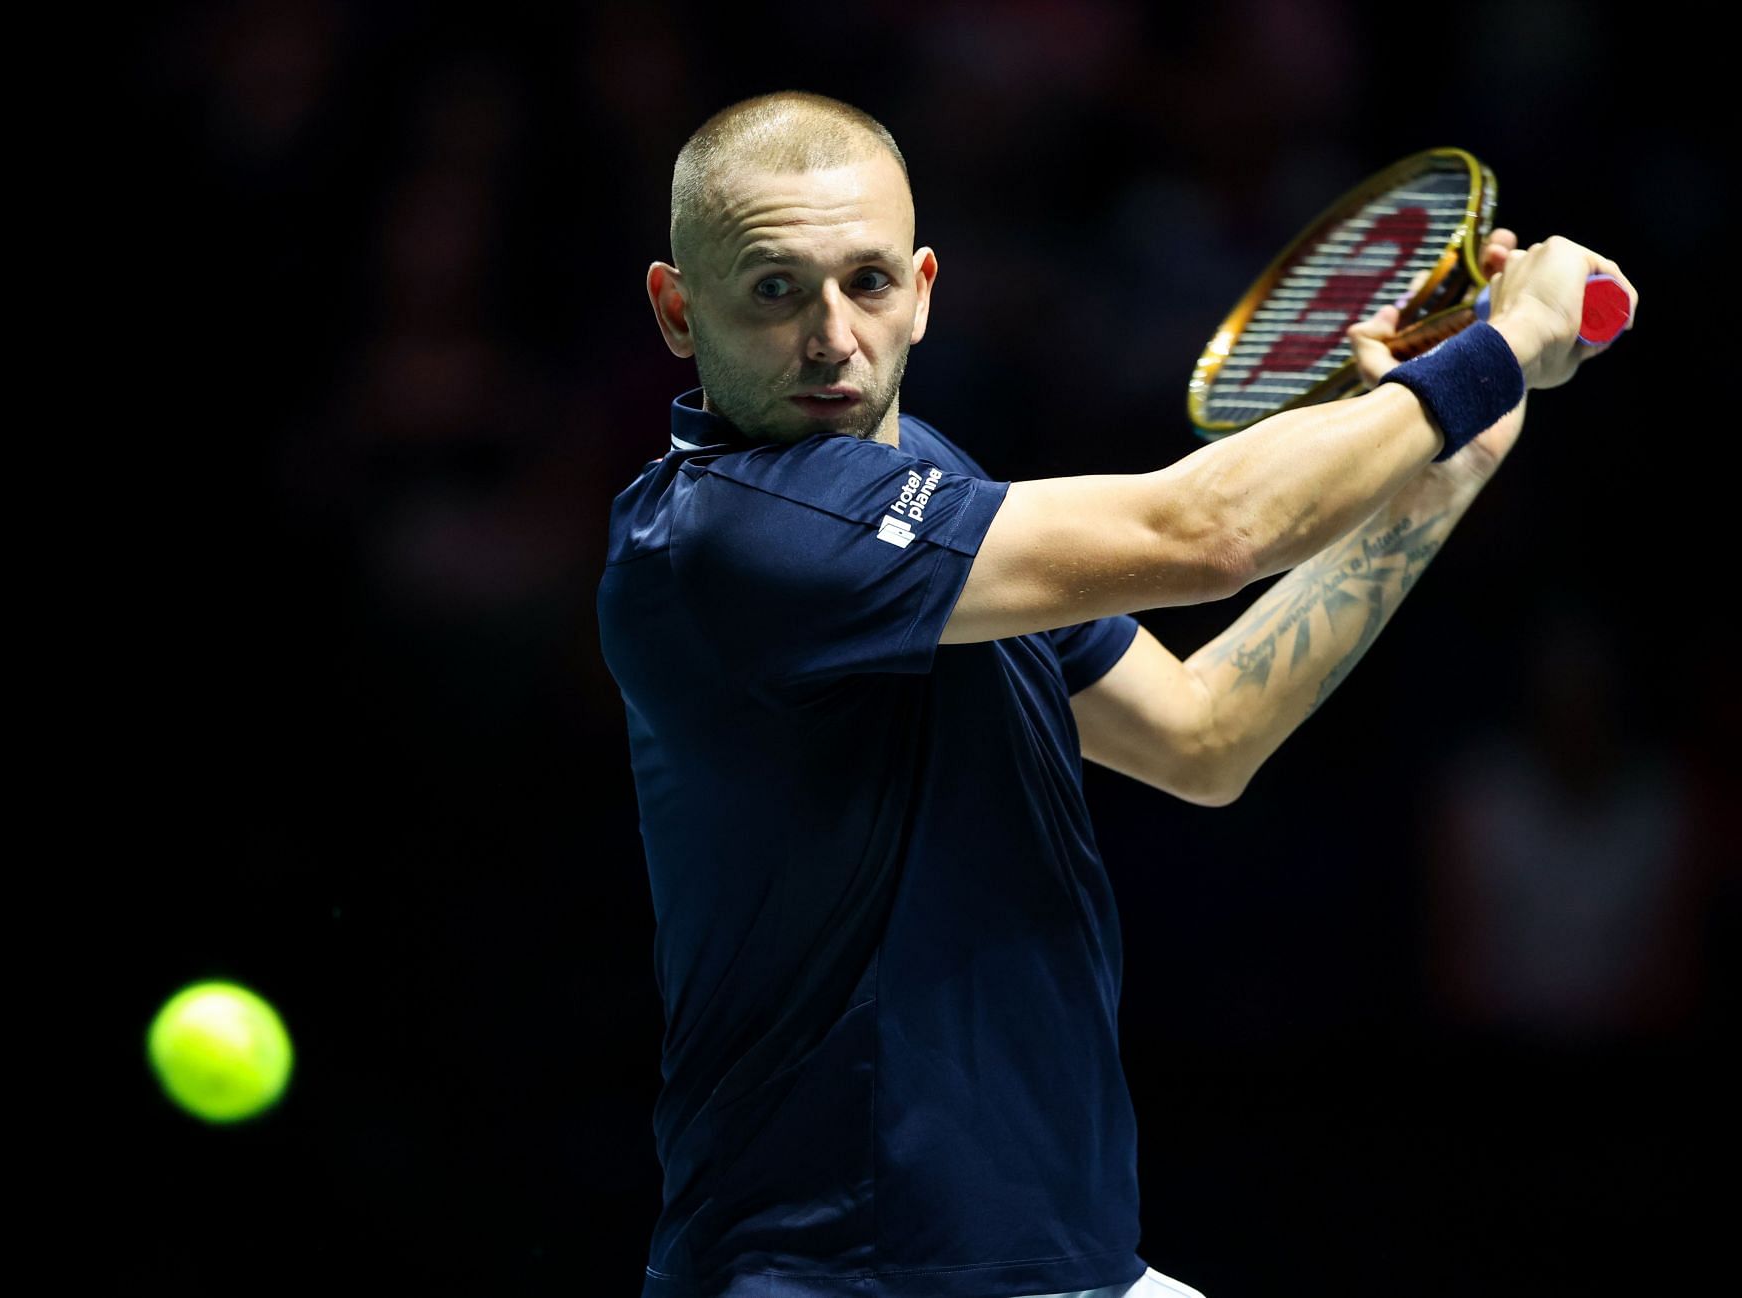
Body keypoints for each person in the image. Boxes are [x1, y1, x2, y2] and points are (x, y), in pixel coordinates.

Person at [596, 90, 1633, 1298]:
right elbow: (1211, 528)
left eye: (867, 282)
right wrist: (1494, 348)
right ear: (677, 308)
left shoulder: (939, 497)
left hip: (1060, 1261)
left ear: (925, 288)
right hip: (841, 1273)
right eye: (776, 288)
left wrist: (1443, 464)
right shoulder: (724, 538)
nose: (832, 334)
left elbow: (1204, 733)